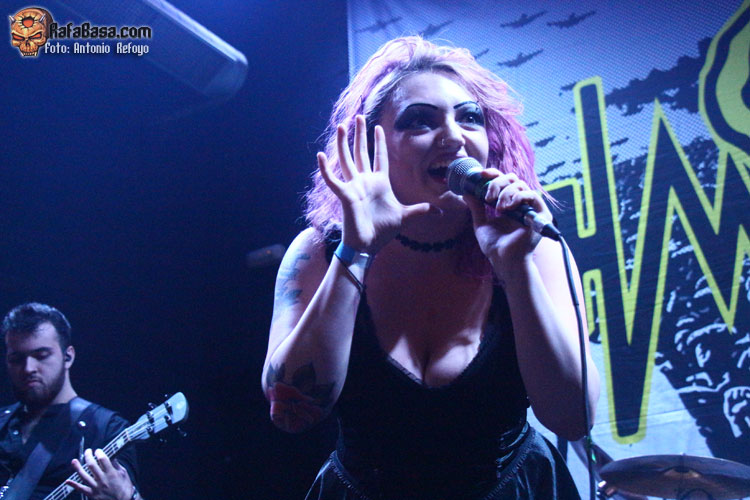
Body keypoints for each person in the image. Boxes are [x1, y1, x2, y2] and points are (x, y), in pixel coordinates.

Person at [262, 36, 600, 499]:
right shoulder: (320, 252)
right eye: (420, 120)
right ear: (368, 146)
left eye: (470, 117)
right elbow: (291, 414)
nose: (455, 136)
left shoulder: (534, 247)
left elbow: (573, 418)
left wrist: (517, 269)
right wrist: (356, 252)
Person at [0, 303, 141, 500]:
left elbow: (126, 491)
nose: (28, 368)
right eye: (16, 359)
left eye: (41, 355)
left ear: (68, 357)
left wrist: (127, 497)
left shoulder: (106, 428)